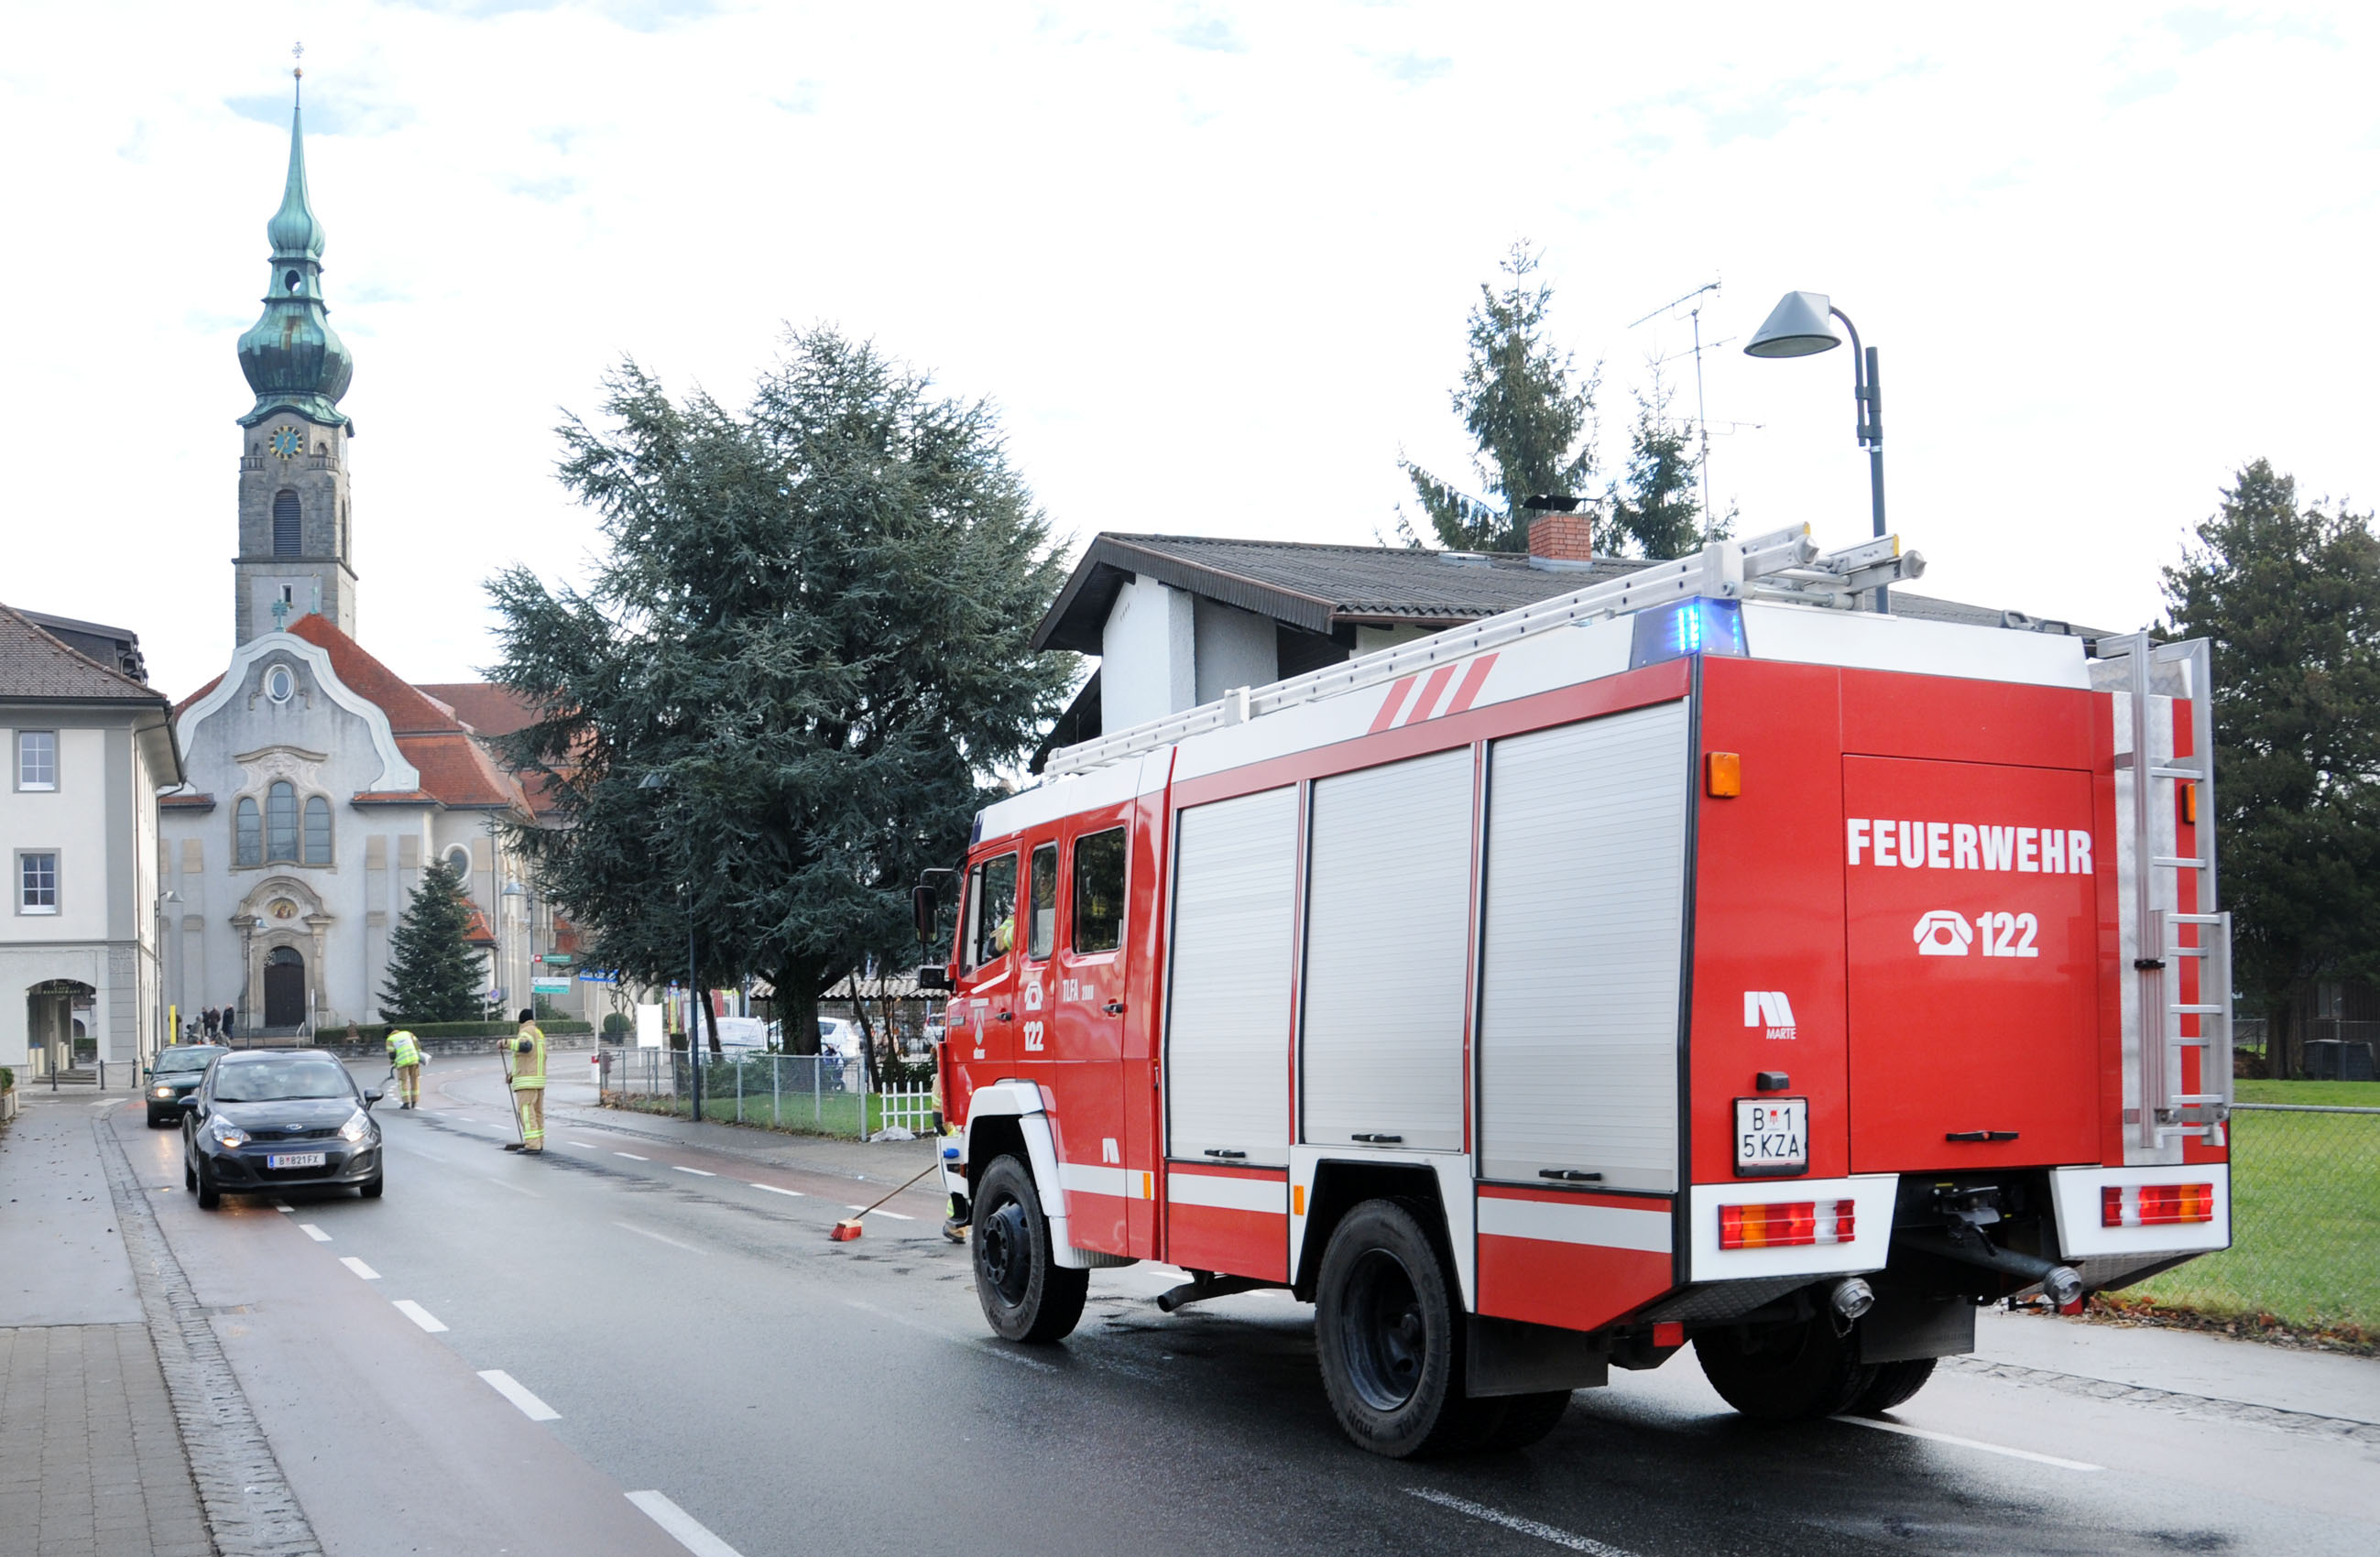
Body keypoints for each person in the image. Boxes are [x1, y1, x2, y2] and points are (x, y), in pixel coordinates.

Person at [502, 1007, 547, 1154]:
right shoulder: (538, 1033)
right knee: (537, 1113)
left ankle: (532, 1145)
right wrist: (512, 1075)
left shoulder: (526, 1031)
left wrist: (505, 1043)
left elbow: (525, 1047)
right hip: (538, 1080)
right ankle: (539, 1142)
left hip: (527, 1082)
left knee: (527, 1113)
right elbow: (530, 1059)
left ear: (521, 1020)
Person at [386, 1026, 423, 1109]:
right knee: (415, 1080)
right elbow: (418, 1045)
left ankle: (406, 1103)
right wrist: (419, 1054)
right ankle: (414, 1101)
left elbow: (392, 1054)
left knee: (403, 1082)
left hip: (402, 1063)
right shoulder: (408, 1034)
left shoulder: (390, 1039)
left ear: (388, 1034)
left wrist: (392, 1062)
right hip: (414, 1060)